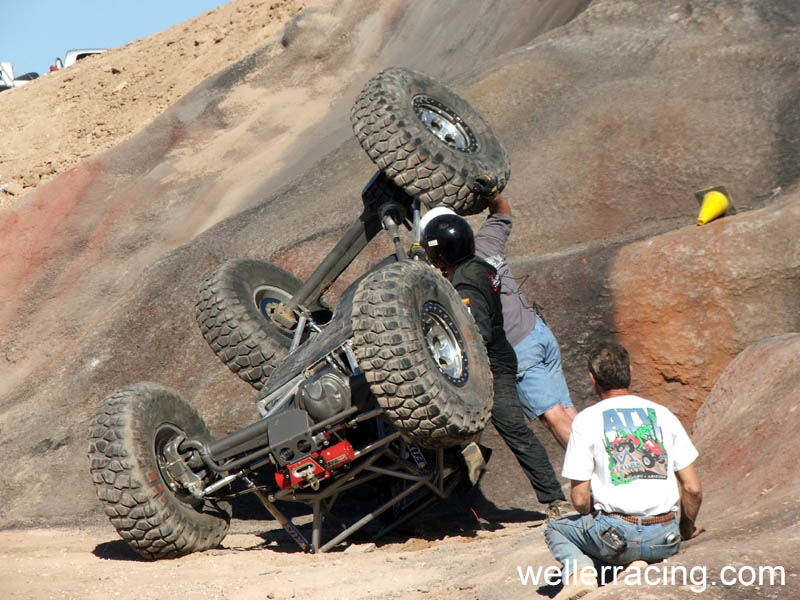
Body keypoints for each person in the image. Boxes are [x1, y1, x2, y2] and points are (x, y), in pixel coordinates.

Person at [421, 211, 568, 519]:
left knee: (513, 429)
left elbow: (479, 332)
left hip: (490, 367)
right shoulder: (476, 267)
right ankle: (462, 499)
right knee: (462, 436)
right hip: (492, 360)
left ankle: (555, 499)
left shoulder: (466, 284)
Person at [545, 341, 703, 599]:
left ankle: (581, 573)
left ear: (592, 378)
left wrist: (591, 512)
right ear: (630, 370)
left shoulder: (585, 420)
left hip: (616, 536)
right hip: (665, 538)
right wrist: (686, 528)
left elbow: (580, 500)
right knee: (638, 541)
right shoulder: (663, 414)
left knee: (556, 528)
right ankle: (638, 564)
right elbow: (693, 488)